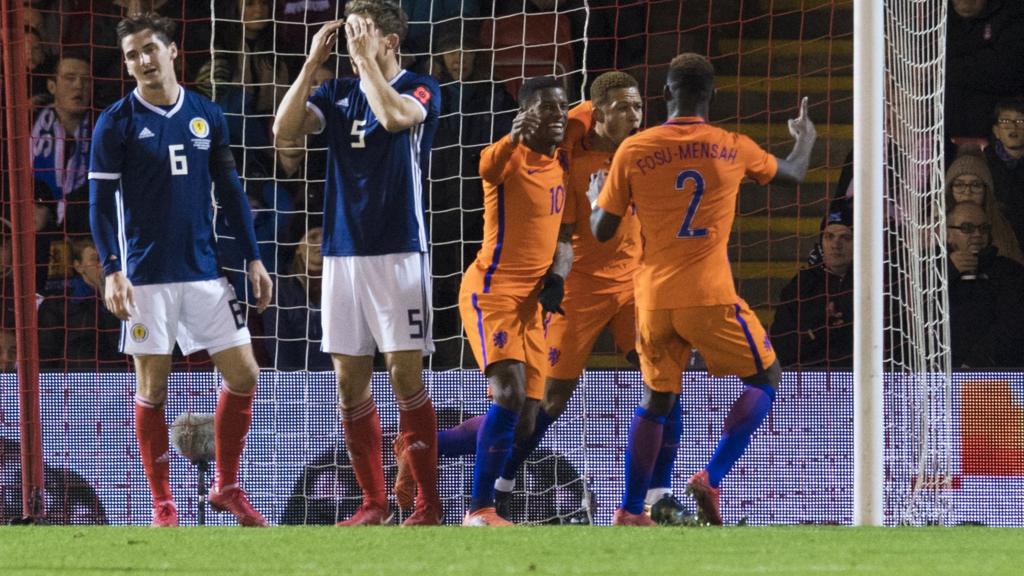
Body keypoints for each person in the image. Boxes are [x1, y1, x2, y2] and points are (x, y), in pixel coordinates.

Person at [591, 53, 816, 525]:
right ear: (713, 96)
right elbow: (793, 174)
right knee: (767, 377)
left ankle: (631, 511)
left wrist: (596, 200)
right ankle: (711, 477)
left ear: (666, 94)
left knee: (655, 401)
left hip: (651, 299)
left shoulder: (634, 150)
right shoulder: (730, 145)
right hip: (710, 296)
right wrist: (805, 140)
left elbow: (602, 231)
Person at [88, 13, 274, 527]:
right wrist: (111, 269)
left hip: (204, 271)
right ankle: (163, 505)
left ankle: (227, 488)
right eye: (132, 55)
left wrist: (254, 257)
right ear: (127, 65)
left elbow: (232, 192)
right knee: (152, 387)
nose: (143, 60)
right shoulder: (116, 122)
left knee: (244, 374)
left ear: (171, 51)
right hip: (145, 276)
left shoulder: (206, 114)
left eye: (150, 49)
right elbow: (100, 206)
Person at [273, 0, 442, 525]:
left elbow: (394, 117)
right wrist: (308, 66)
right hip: (342, 255)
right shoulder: (336, 91)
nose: (350, 45)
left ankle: (427, 504)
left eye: (361, 35)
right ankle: (372, 503)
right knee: (349, 380)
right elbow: (285, 128)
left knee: (402, 375)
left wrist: (367, 61)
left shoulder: (421, 86)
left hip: (399, 251)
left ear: (389, 41)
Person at [443, 76, 572, 526]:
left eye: (563, 108)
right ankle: (479, 510)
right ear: (526, 112)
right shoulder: (506, 157)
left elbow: (563, 238)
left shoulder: (560, 166)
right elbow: (487, 167)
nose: (558, 116)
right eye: (548, 108)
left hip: (531, 306)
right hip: (492, 294)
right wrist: (511, 136)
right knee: (510, 394)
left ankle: (421, 446)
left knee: (525, 423)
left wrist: (557, 276)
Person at [770, 197, 854, 369]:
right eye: (829, 237)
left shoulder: (876, 284)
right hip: (812, 380)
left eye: (845, 237)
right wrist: (816, 332)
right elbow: (780, 349)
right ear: (821, 242)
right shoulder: (802, 285)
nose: (836, 245)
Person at [946, 202, 1024, 368]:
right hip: (938, 375)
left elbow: (1012, 323)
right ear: (948, 234)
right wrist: (950, 270)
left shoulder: (1009, 271)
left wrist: (976, 363)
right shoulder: (932, 273)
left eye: (983, 228)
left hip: (994, 374)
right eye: (967, 228)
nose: (977, 234)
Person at [37, 238, 125, 371]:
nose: (102, 265)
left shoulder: (128, 300)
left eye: (107, 259)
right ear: (78, 266)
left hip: (118, 379)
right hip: (72, 382)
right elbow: (46, 354)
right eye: (95, 259)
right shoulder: (57, 303)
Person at [31, 51, 93, 235]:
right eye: (69, 78)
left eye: (86, 79)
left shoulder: (107, 127)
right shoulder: (28, 121)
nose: (78, 86)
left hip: (87, 234)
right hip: (35, 227)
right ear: (52, 86)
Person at [945, 0, 1024, 139]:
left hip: (999, 136)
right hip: (943, 135)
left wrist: (944, 69)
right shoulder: (935, 19)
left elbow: (1005, 68)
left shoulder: (1013, 12)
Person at [261, 227, 332, 371]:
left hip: (341, 375)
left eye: (325, 236)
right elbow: (278, 345)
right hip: (296, 379)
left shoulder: (345, 283)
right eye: (312, 237)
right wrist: (292, 383)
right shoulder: (280, 288)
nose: (320, 242)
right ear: (298, 247)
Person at [944, 152, 1023, 264]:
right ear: (949, 190)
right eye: (959, 185)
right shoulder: (933, 226)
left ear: (987, 191)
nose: (967, 192)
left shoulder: (1006, 223)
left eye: (976, 185)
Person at [984, 98, 1024, 247]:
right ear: (996, 131)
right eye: (1006, 121)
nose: (1013, 127)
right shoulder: (984, 164)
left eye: (1020, 121)